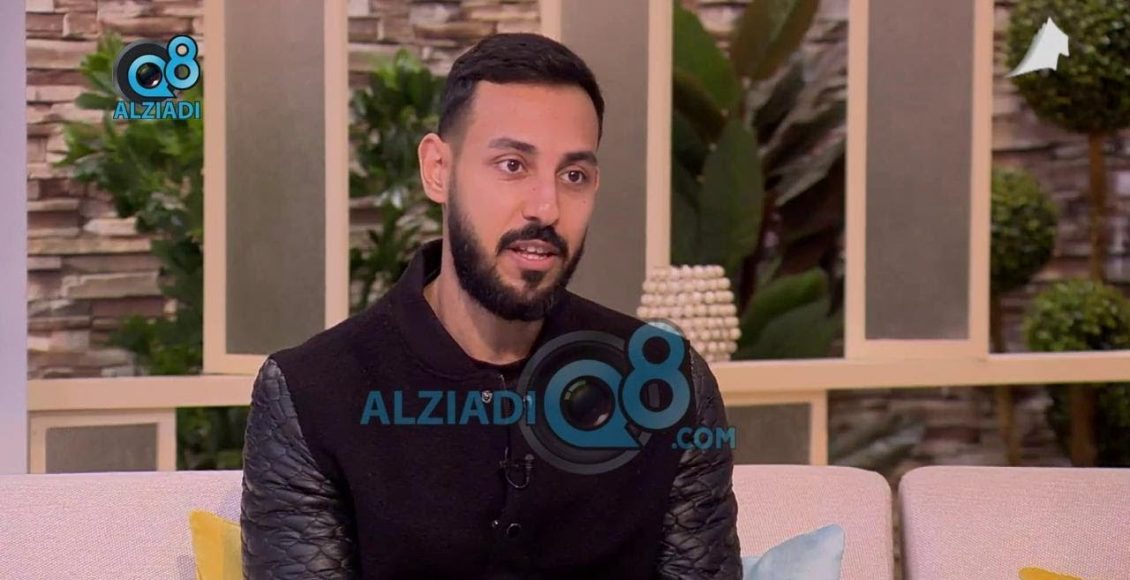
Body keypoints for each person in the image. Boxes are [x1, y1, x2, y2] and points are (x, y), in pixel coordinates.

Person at [241, 33, 741, 579]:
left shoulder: (667, 385)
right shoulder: (311, 393)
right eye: (512, 165)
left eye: (573, 175)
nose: (546, 208)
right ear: (438, 169)